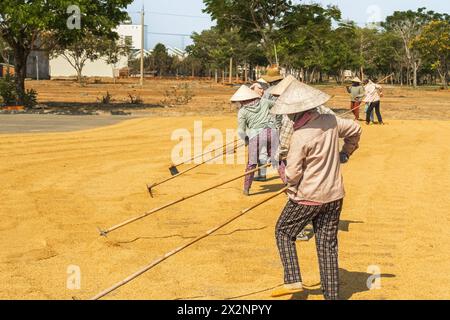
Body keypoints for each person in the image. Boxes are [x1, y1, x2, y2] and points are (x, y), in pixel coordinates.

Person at [269, 81, 362, 300]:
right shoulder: (330, 120)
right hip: (334, 195)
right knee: (327, 245)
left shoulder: (300, 136)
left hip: (308, 197)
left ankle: (292, 279)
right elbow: (356, 129)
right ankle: (331, 295)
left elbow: (292, 174)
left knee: (283, 231)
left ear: (295, 112)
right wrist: (345, 152)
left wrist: (289, 185)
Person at [230, 85, 278, 196]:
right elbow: (276, 106)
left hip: (255, 136)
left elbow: (241, 131)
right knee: (277, 159)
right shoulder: (264, 102)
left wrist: (246, 139)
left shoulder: (242, 111)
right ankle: (287, 183)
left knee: (251, 163)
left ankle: (246, 189)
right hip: (271, 132)